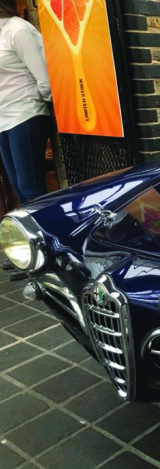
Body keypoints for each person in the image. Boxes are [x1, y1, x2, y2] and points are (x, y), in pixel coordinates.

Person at [0, 0, 52, 279]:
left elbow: (43, 75)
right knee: (19, 186)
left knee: (31, 186)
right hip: (3, 119)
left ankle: (50, 253)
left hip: (26, 113)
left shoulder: (18, 30)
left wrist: (44, 102)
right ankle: (32, 252)